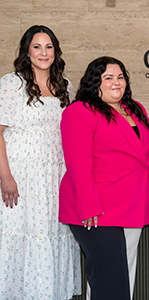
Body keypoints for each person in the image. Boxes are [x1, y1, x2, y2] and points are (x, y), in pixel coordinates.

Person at [59, 56, 149, 300]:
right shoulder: (80, 111)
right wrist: (88, 205)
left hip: (133, 202)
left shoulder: (135, 108)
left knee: (123, 272)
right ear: (96, 82)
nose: (117, 82)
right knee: (110, 276)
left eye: (120, 77)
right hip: (98, 209)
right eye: (108, 77)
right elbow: (77, 164)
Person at [0, 25, 81, 299]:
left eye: (48, 47)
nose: (43, 52)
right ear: (27, 50)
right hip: (21, 174)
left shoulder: (65, 85)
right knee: (21, 234)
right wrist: (5, 176)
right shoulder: (11, 83)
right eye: (37, 46)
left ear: (56, 51)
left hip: (56, 175)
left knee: (52, 233)